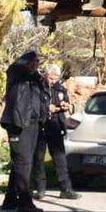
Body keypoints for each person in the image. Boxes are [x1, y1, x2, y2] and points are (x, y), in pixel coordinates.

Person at [0, 51, 45, 212]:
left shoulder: (34, 78)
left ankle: (10, 199)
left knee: (22, 162)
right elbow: (15, 69)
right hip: (18, 123)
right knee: (23, 162)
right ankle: (25, 201)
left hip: (32, 123)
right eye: (32, 62)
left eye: (37, 62)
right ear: (24, 62)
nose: (35, 65)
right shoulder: (17, 74)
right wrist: (25, 63)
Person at [32, 64, 80, 200]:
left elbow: (66, 102)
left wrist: (65, 105)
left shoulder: (60, 88)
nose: (52, 81)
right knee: (38, 158)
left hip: (55, 126)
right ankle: (40, 189)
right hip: (41, 126)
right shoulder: (38, 87)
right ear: (45, 75)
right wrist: (48, 108)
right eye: (50, 78)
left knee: (60, 159)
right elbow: (35, 105)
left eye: (55, 78)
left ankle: (66, 189)